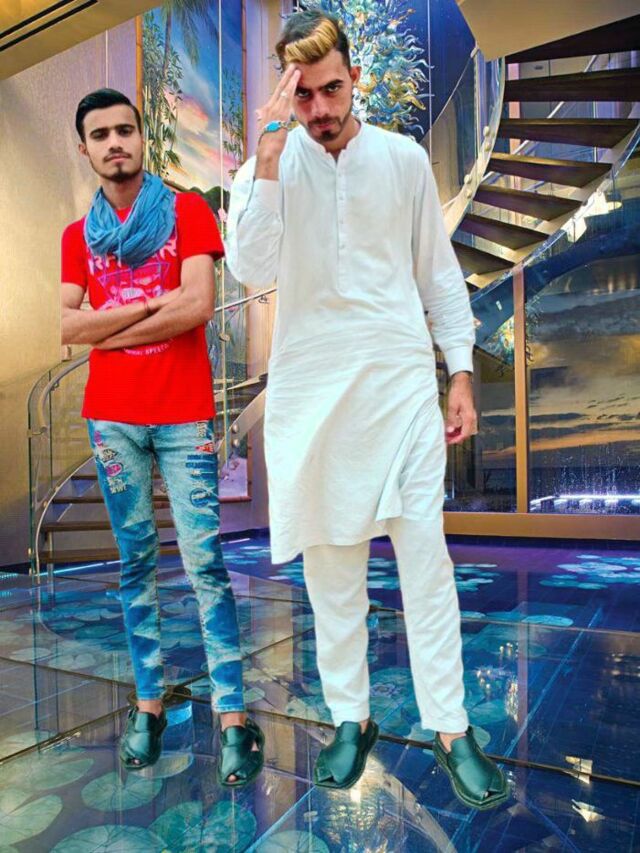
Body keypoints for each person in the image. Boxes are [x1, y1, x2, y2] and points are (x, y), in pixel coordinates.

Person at [226, 11, 508, 808]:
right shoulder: (268, 166)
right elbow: (249, 266)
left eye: (331, 89)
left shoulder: (403, 159)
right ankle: (352, 717)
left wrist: (460, 372)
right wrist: (268, 160)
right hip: (313, 393)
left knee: (427, 565)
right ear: (288, 92)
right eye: (304, 95)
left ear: (355, 78)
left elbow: (437, 275)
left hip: (400, 388)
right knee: (332, 574)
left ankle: (451, 727)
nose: (319, 108)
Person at [61, 88, 263, 786]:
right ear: (85, 148)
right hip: (111, 418)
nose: (115, 142)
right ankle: (148, 704)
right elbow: (67, 327)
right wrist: (154, 304)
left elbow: (198, 305)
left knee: (205, 563)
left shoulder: (188, 212)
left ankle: (232, 714)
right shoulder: (76, 237)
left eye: (125, 129)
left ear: (142, 137)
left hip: (183, 415)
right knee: (135, 562)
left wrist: (108, 323)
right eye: (100, 134)